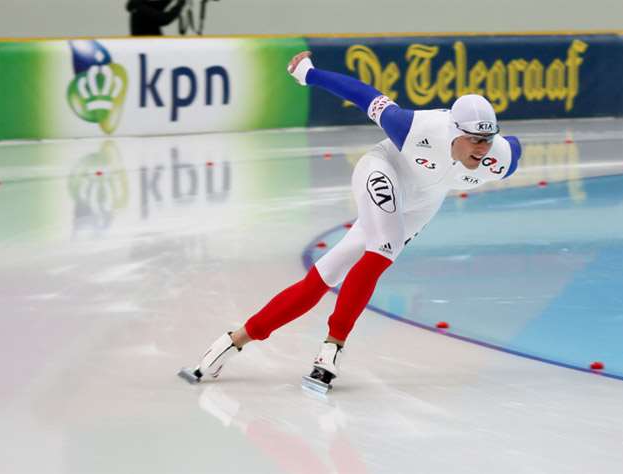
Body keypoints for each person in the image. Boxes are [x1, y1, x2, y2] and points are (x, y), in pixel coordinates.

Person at [179, 51, 523, 393]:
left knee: (322, 279)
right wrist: (309, 73)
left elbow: (514, 146)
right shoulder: (411, 127)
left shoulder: (500, 159)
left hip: (422, 203)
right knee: (384, 245)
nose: (482, 148)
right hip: (384, 169)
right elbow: (363, 95)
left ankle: (233, 340)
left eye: (488, 140)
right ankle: (332, 347)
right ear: (453, 132)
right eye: (475, 140)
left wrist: (497, 146)